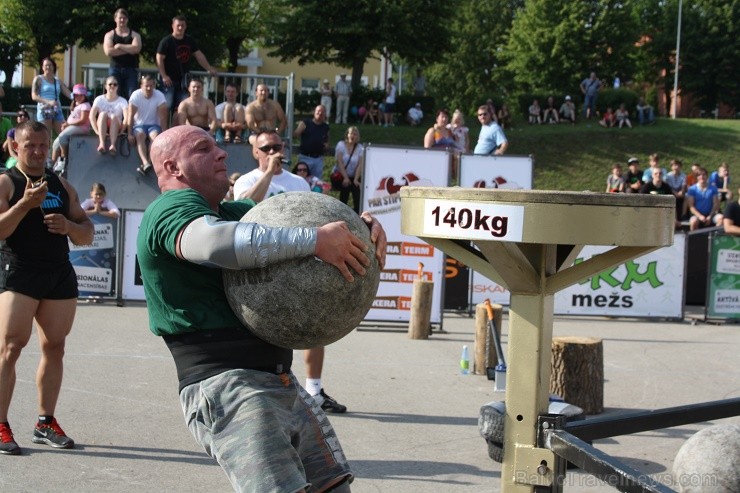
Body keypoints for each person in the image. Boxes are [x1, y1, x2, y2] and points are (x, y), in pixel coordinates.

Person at [136, 125, 386, 491]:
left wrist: (361, 227)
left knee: (333, 487)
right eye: (204, 148)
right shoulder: (168, 208)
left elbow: (295, 216)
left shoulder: (229, 210)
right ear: (174, 169)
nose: (221, 153)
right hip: (228, 385)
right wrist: (314, 240)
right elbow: (211, 244)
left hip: (277, 380)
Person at [0, 121, 94, 455]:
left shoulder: (61, 185)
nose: (38, 152)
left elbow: (87, 232)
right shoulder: (6, 183)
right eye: (30, 146)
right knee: (10, 347)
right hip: (20, 271)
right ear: (15, 147)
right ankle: (0, 425)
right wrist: (24, 204)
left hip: (57, 272)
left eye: (43, 145)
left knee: (55, 347)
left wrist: (68, 225)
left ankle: (45, 422)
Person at [156, 14, 218, 115]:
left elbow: (199, 56)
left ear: (185, 26)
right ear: (173, 26)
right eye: (178, 25)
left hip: (184, 81)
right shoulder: (166, 41)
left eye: (182, 25)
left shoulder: (189, 40)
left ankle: (179, 130)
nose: (180, 28)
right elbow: (159, 58)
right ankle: (165, 130)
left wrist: (209, 68)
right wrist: (164, 76)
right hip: (169, 81)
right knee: (166, 106)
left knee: (182, 107)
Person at [127, 74, 168, 176]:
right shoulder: (135, 95)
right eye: (146, 86)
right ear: (141, 86)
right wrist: (129, 134)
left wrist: (165, 133)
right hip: (139, 125)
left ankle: (148, 164)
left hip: (154, 124)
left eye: (151, 86)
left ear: (154, 85)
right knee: (140, 136)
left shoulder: (159, 96)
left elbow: (163, 117)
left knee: (154, 137)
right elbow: (130, 115)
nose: (149, 88)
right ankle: (145, 162)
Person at [50, 84, 91, 173]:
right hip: (72, 126)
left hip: (81, 128)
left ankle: (63, 159)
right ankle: (52, 164)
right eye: (76, 95)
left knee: (62, 137)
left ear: (84, 95)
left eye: (81, 95)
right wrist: (66, 124)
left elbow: (83, 120)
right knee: (56, 143)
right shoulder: (75, 105)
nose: (78, 97)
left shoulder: (86, 105)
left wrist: (68, 124)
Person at [102, 8, 141, 99]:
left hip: (131, 69)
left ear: (127, 19)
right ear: (115, 19)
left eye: (124, 18)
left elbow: (136, 49)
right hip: (115, 69)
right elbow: (108, 51)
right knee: (114, 94)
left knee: (132, 95)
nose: (122, 20)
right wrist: (129, 48)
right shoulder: (109, 35)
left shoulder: (135, 35)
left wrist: (119, 46)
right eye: (120, 18)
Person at [31, 58, 72, 137]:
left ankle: (61, 149)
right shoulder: (38, 79)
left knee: (64, 134)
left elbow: (68, 93)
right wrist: (48, 102)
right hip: (44, 109)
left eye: (50, 65)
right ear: (42, 67)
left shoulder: (58, 81)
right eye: (46, 65)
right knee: (45, 135)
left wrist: (79, 96)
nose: (48, 67)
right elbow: (34, 96)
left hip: (57, 109)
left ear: (53, 67)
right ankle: (48, 149)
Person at [90, 76, 128, 155]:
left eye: (115, 84)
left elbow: (126, 117)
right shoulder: (99, 99)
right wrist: (96, 131)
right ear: (105, 86)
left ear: (117, 86)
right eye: (110, 84)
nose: (112, 86)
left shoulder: (122, 101)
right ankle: (102, 144)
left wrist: (122, 131)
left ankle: (113, 145)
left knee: (114, 116)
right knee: (103, 114)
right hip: (102, 124)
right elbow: (92, 116)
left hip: (116, 125)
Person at [293, 104, 330, 179]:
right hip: (305, 157)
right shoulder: (305, 123)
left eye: (322, 112)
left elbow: (327, 141)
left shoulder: (326, 127)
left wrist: (327, 146)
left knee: (316, 183)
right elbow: (295, 134)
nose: (320, 113)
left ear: (325, 114)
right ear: (314, 112)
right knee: (302, 180)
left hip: (318, 159)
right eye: (318, 111)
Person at [334, 126, 364, 214]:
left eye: (355, 134)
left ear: (357, 137)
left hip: (355, 175)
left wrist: (355, 179)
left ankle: (358, 214)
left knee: (357, 189)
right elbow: (340, 163)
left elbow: (360, 164)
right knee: (345, 189)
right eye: (351, 133)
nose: (352, 136)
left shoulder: (360, 148)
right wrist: (345, 178)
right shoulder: (340, 145)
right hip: (341, 175)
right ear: (347, 135)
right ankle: (341, 214)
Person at [687, 167, 723, 231]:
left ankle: (714, 236)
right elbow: (691, 206)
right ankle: (695, 239)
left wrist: (710, 216)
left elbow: (715, 204)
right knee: (693, 222)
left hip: (711, 214)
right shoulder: (692, 189)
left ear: (707, 176)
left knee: (721, 218)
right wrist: (700, 216)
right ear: (696, 177)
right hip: (697, 215)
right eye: (699, 175)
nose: (702, 177)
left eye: (704, 175)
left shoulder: (713, 188)